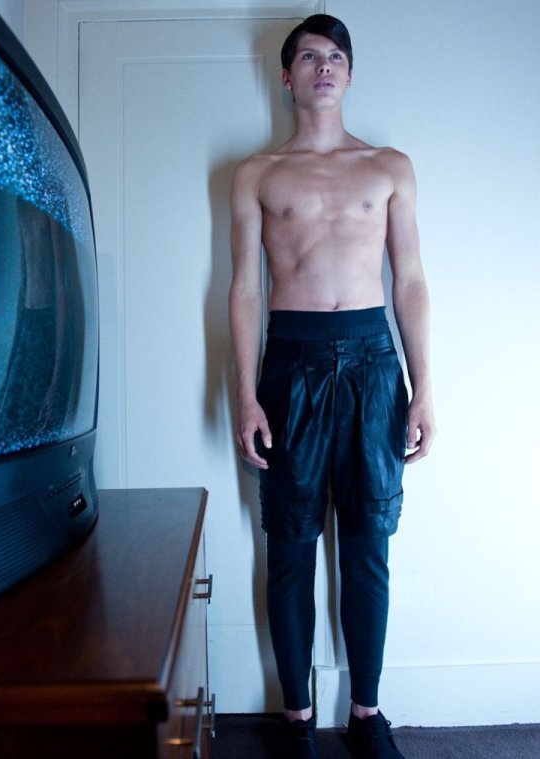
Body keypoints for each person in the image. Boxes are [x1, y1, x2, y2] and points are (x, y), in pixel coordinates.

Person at [228, 13, 435, 759]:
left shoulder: (389, 166)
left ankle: (366, 714)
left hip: (375, 367)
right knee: (290, 546)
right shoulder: (256, 173)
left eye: (337, 56)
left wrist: (423, 386)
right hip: (291, 366)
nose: (325, 66)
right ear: (286, 76)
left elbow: (409, 280)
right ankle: (297, 720)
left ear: (349, 74)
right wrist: (245, 394)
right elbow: (244, 290)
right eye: (310, 56)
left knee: (368, 546)